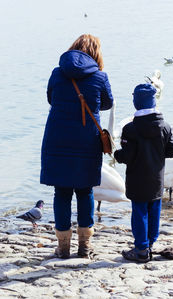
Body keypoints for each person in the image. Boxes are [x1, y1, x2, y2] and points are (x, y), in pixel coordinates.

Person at [40, 34, 113, 258]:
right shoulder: (100, 77)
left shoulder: (57, 73)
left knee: (61, 190)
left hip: (57, 138)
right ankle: (85, 246)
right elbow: (108, 103)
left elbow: (51, 98)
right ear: (96, 53)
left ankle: (62, 248)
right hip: (87, 140)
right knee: (85, 190)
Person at [114, 83, 173, 263]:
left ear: (136, 102)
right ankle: (150, 244)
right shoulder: (165, 126)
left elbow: (127, 156)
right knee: (154, 211)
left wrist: (117, 155)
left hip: (137, 179)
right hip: (156, 178)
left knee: (140, 212)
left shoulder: (130, 129)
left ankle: (141, 250)